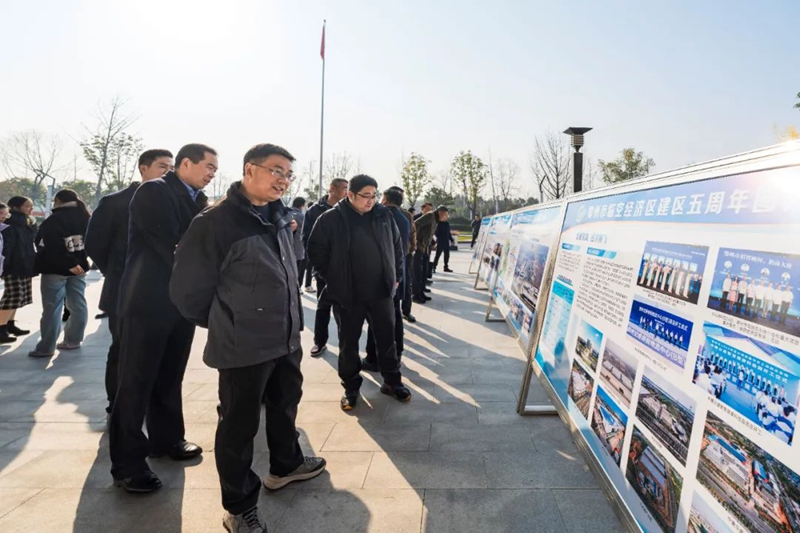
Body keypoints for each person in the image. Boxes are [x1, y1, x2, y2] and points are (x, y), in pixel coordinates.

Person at [171, 144, 325, 533]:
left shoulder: (281, 217)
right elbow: (188, 290)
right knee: (238, 428)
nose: (283, 180)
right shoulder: (216, 222)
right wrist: (229, 321)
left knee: (285, 406)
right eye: (276, 170)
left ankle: (286, 465)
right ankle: (238, 506)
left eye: (288, 174)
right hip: (243, 345)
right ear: (249, 170)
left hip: (286, 337)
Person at [109, 143, 215, 493]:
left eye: (215, 169)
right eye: (208, 166)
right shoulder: (154, 191)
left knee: (170, 375)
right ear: (185, 163)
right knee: (135, 382)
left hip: (180, 303)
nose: (212, 174)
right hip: (147, 302)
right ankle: (127, 464)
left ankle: (167, 439)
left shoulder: (199, 200)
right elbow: (174, 244)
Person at [307, 174, 410, 411]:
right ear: (350, 194)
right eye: (365, 196)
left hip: (381, 293)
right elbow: (315, 250)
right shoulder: (331, 218)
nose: (371, 200)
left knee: (387, 340)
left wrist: (397, 277)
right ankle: (351, 387)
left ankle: (392, 381)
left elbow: (397, 247)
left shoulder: (383, 216)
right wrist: (333, 277)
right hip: (348, 294)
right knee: (348, 343)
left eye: (374, 195)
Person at [85, 148, 174, 414]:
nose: (168, 172)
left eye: (172, 168)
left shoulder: (174, 201)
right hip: (124, 290)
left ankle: (150, 403)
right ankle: (118, 403)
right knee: (123, 350)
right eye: (162, 167)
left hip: (161, 293)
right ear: (143, 168)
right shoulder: (115, 202)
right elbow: (95, 244)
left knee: (159, 353)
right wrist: (117, 272)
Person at [28, 190, 91, 357]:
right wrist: (78, 262)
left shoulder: (54, 219)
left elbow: (50, 244)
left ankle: (46, 347)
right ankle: (73, 340)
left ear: (57, 200)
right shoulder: (86, 217)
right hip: (80, 268)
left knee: (52, 308)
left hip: (55, 268)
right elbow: (94, 241)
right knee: (78, 304)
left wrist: (69, 263)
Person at [362, 187, 411, 372]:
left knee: (378, 321)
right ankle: (397, 352)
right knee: (394, 316)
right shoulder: (404, 218)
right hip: (398, 274)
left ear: (385, 199)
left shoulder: (381, 216)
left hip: (383, 277)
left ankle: (374, 358)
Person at [302, 178, 348, 356]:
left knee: (344, 311)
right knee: (323, 307)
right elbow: (307, 240)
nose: (346, 192)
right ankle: (320, 342)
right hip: (324, 270)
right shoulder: (315, 211)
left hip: (345, 270)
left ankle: (346, 347)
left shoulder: (348, 210)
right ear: (332, 189)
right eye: (344, 188)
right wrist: (320, 265)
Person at [0, 196, 37, 343]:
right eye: (27, 206)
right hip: (13, 266)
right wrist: (6, 267)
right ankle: (1, 329)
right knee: (13, 296)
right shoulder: (10, 224)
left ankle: (9, 324)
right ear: (15, 207)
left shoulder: (26, 222)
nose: (31, 209)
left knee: (17, 297)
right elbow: (8, 247)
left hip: (23, 264)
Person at [412, 204, 437, 304]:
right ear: (422, 209)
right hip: (419, 247)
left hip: (426, 247)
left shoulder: (432, 218)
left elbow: (428, 233)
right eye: (428, 209)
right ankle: (416, 294)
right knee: (417, 272)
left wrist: (432, 242)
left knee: (423, 272)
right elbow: (414, 226)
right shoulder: (418, 217)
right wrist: (416, 241)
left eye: (431, 209)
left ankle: (421, 291)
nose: (430, 211)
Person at [289, 197, 307, 288]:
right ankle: (297, 286)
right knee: (297, 268)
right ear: (302, 205)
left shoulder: (286, 213)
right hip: (298, 245)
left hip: (286, 245)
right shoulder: (301, 216)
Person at [432, 206, 454, 273]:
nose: (446, 217)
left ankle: (446, 267)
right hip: (440, 241)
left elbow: (448, 233)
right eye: (445, 215)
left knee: (447, 255)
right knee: (438, 255)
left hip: (446, 241)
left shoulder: (447, 224)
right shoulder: (438, 223)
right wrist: (435, 241)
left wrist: (451, 240)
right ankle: (434, 267)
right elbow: (435, 233)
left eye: (447, 216)